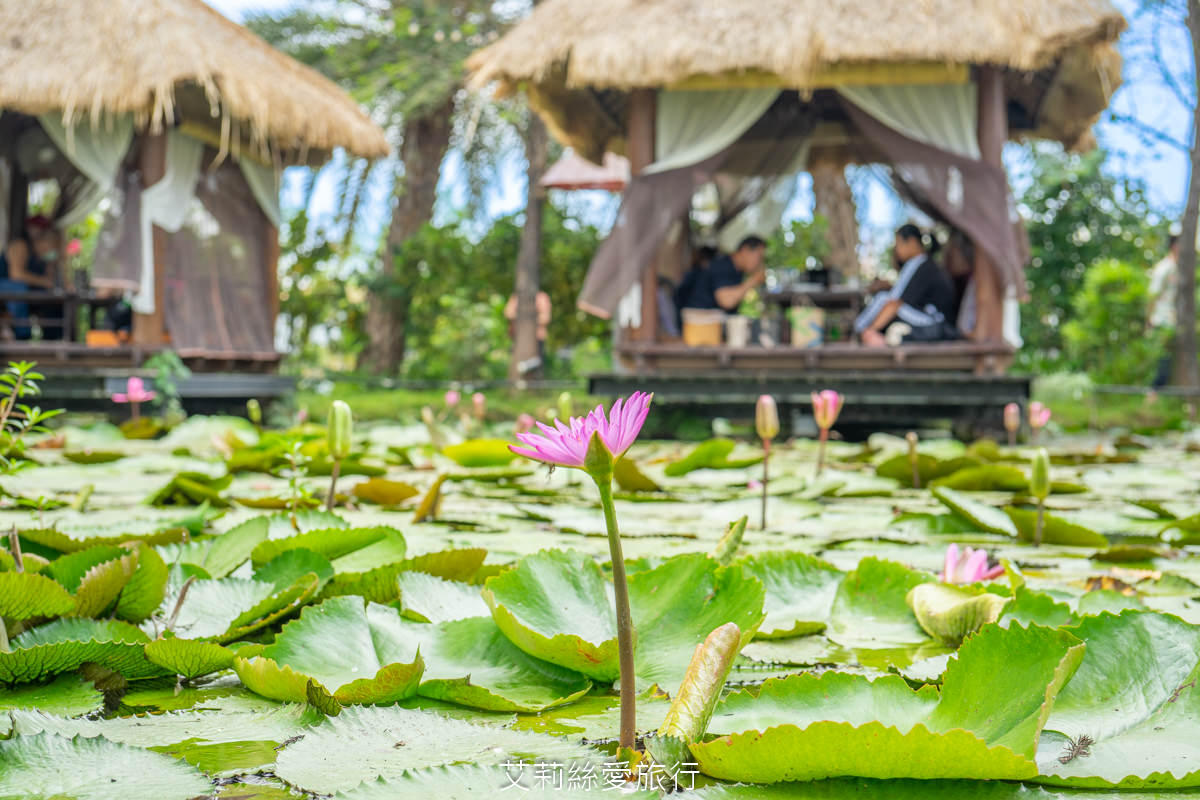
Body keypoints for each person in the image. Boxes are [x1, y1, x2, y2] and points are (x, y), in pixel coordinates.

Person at [854, 224, 958, 347]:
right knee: (884, 299)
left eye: (898, 243)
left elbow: (894, 303)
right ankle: (862, 331)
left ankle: (859, 331)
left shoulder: (918, 263)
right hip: (938, 322)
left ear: (912, 242)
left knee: (883, 299)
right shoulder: (925, 263)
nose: (896, 250)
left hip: (936, 324)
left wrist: (871, 330)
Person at [0, 216, 64, 340]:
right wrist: (44, 282)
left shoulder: (43, 255)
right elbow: (16, 274)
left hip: (24, 288)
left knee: (53, 298)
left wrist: (52, 262)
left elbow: (51, 281)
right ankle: (21, 334)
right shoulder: (20, 245)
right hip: (7, 286)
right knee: (18, 288)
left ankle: (54, 338)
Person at [676, 237, 767, 314]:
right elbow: (726, 301)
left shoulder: (737, 270)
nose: (760, 262)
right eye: (759, 256)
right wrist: (754, 280)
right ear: (745, 250)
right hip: (699, 324)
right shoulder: (723, 266)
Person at [1148, 234, 1180, 396]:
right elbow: (1153, 294)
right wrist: (1149, 321)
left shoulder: (1178, 267)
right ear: (1175, 246)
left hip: (1173, 321)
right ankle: (1152, 395)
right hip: (1161, 320)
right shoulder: (1164, 267)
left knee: (1169, 360)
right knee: (1163, 360)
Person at [504, 290, 552, 363]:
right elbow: (508, 313)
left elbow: (545, 318)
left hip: (536, 339)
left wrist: (525, 319)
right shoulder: (516, 296)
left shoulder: (542, 297)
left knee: (534, 365)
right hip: (517, 337)